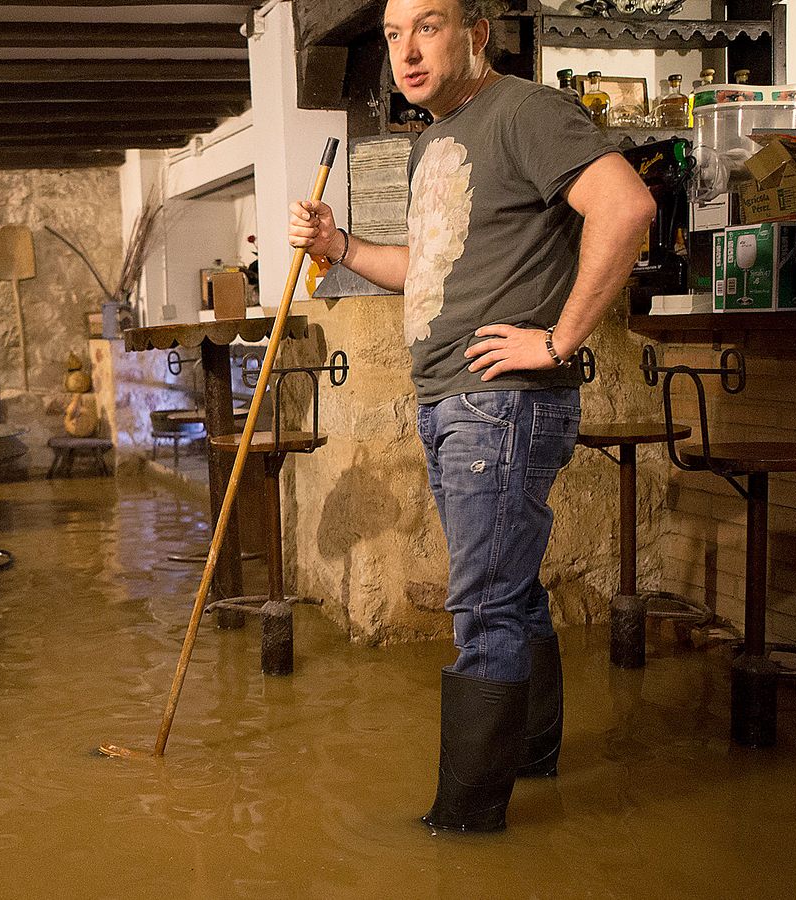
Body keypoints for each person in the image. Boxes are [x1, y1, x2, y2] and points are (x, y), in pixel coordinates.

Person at [288, 0, 655, 832]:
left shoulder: (525, 111)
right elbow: (431, 263)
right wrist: (340, 249)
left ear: (477, 33)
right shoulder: (431, 142)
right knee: (510, 595)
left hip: (501, 406)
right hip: (457, 401)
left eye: (428, 25)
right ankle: (530, 763)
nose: (406, 51)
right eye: (391, 35)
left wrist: (556, 342)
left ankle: (465, 825)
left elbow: (626, 206)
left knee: (483, 607)